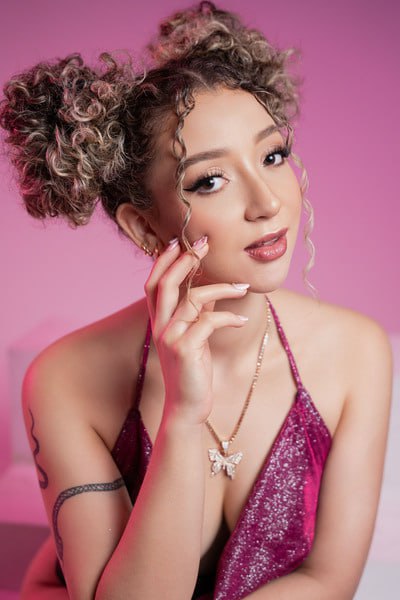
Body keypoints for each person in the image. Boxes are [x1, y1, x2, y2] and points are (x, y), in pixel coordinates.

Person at [0, 2, 393, 599]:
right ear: (143, 227)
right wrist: (183, 416)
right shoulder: (64, 379)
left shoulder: (358, 352)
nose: (267, 202)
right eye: (210, 181)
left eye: (273, 156)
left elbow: (329, 580)